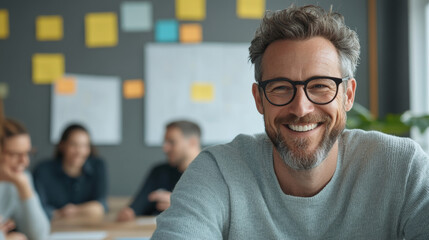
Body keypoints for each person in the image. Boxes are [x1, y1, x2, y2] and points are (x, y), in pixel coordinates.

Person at [152, 5, 429, 239]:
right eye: (281, 87)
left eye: (320, 85)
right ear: (259, 99)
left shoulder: (403, 168)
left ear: (348, 95)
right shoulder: (218, 173)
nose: (300, 108)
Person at [116, 120, 201, 221]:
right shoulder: (159, 172)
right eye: (165, 142)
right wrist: (128, 213)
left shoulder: (212, 173)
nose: (165, 148)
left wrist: (180, 205)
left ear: (192, 142)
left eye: (172, 142)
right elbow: (135, 208)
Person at [33, 124, 108, 220]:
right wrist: (59, 214)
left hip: (87, 226)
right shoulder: (43, 170)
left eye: (84, 146)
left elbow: (101, 206)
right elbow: (38, 209)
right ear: (62, 145)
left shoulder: (98, 166)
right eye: (73, 145)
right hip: (52, 226)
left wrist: (74, 210)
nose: (79, 151)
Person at [0, 118, 50, 240]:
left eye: (28, 153)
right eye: (14, 154)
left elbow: (40, 235)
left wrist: (24, 186)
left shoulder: (19, 180)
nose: (25, 161)